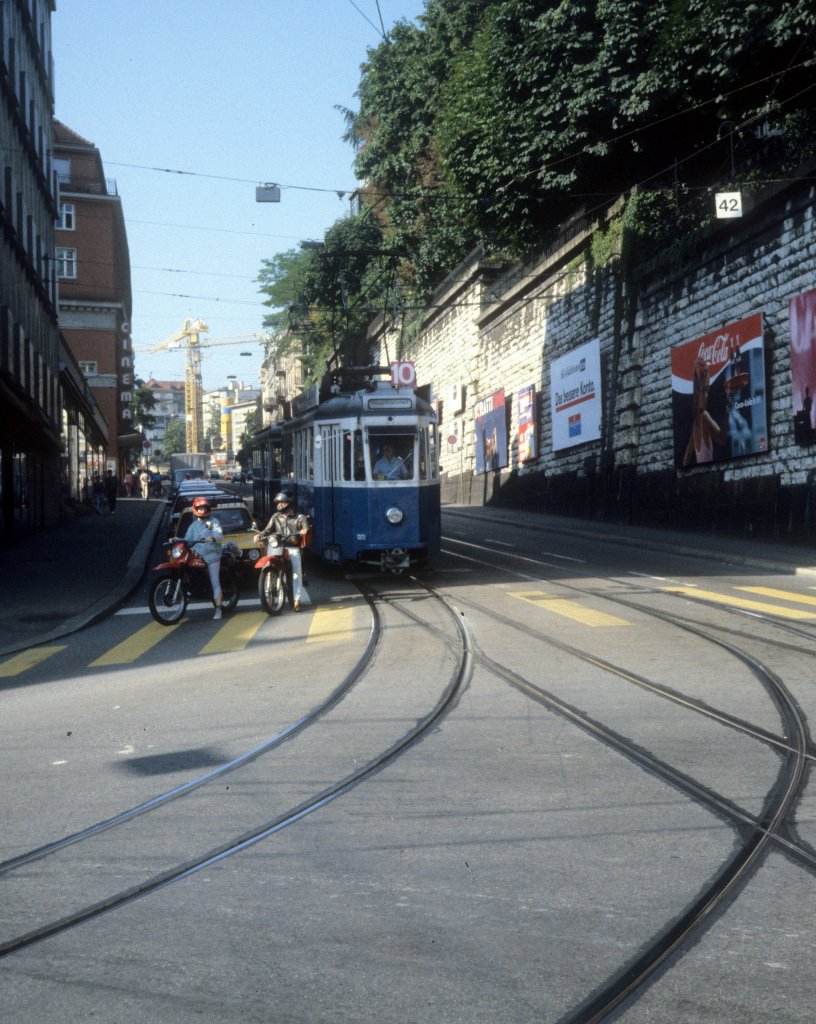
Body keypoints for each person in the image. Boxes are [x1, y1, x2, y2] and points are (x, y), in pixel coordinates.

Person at [254, 491, 311, 612]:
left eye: (282, 502)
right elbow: (267, 530)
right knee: (267, 567)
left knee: (297, 574)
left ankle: (297, 600)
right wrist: (260, 535)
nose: (280, 505)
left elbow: (306, 527)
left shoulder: (299, 517)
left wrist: (304, 531)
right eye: (279, 502)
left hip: (292, 548)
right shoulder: (275, 516)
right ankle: (268, 601)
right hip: (276, 546)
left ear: (289, 503)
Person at [183, 496, 225, 619]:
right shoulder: (193, 526)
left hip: (212, 555)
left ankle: (218, 609)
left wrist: (209, 538)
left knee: (214, 581)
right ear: (195, 509)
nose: (202, 511)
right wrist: (179, 540)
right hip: (198, 556)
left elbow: (219, 536)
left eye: (204, 508)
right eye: (199, 508)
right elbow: (187, 538)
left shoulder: (214, 522)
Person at [683, 358, 728, 466]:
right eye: (704, 391)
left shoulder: (695, 424)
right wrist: (728, 412)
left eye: (706, 391)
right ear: (698, 394)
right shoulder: (704, 417)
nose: (706, 396)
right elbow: (722, 440)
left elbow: (687, 458)